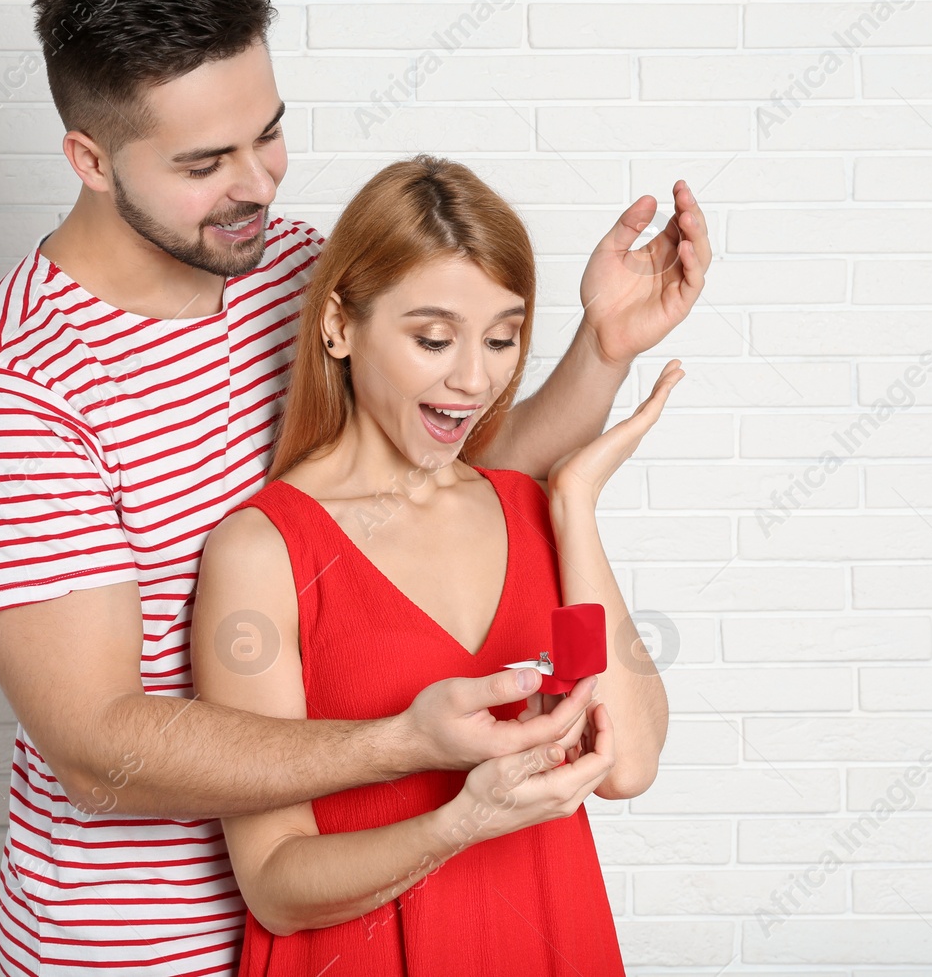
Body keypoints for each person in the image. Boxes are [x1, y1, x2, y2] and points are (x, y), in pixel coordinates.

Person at [0, 0, 709, 977]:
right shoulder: (15, 397)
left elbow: (449, 479)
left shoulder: (289, 268)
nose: (257, 184)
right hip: (151, 948)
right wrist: (403, 742)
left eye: (268, 133)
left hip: (374, 910)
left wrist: (598, 352)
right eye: (204, 163)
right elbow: (99, 747)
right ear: (91, 160)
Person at [190, 155, 680, 976]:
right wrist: (458, 823)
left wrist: (574, 502)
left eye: (501, 337)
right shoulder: (264, 549)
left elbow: (626, 761)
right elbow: (274, 881)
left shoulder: (527, 509)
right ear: (340, 325)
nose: (476, 377)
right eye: (433, 338)